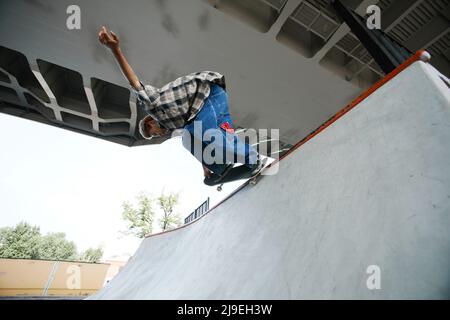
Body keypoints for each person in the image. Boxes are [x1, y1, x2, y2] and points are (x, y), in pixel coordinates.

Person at [98, 26, 262, 182]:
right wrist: (205, 165)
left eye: (154, 133)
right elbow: (198, 143)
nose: (159, 135)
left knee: (200, 131)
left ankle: (253, 159)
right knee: (188, 138)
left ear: (150, 122)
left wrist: (116, 51)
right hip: (215, 107)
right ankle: (222, 166)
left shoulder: (154, 105)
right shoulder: (176, 125)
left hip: (208, 94)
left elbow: (135, 84)